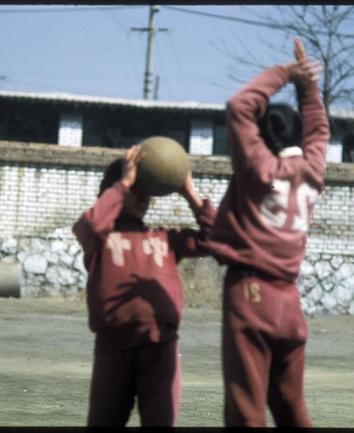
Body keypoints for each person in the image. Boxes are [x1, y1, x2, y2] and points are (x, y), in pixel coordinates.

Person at [208, 37, 329, 427]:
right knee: (291, 407)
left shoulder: (259, 170)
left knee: (246, 409)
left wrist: (284, 74)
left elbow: (239, 106)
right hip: (289, 302)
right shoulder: (312, 171)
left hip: (250, 293)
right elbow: (319, 128)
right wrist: (306, 85)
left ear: (261, 137)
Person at [72, 144, 216, 426]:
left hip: (160, 346)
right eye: (134, 191)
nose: (142, 198)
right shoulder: (98, 239)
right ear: (113, 192)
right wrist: (124, 182)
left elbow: (219, 239)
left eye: (145, 192)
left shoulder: (164, 239)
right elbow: (91, 223)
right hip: (113, 347)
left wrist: (189, 192)